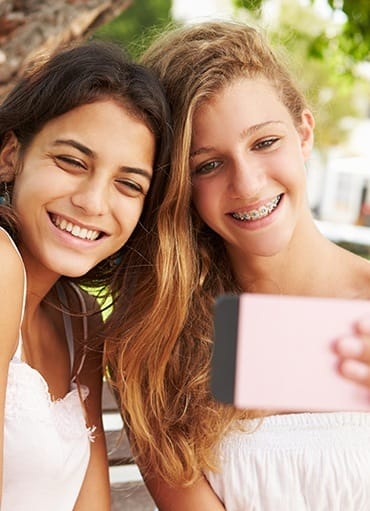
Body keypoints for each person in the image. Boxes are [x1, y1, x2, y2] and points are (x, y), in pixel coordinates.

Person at [105, 20, 370, 511]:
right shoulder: (158, 341)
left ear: (303, 133)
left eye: (264, 142)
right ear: (181, 185)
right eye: (207, 164)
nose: (247, 185)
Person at [0, 39, 172, 510]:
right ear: (10, 156)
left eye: (128, 184)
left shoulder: (80, 317)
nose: (94, 203)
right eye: (73, 162)